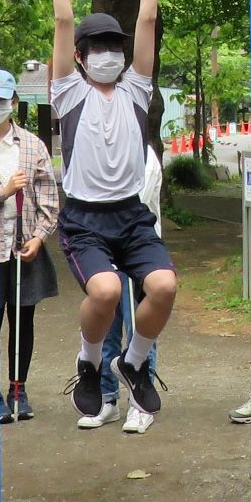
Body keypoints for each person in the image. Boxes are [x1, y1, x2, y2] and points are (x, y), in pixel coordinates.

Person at [49, 0, 177, 429]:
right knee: (103, 293)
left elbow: (146, 20)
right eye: (96, 47)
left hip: (131, 215)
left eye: (114, 47)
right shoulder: (69, 93)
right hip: (84, 220)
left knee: (163, 287)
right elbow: (62, 21)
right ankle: (89, 360)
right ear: (81, 58)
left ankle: (135, 361)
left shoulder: (135, 90)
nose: (108, 54)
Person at [0, 70, 60, 424]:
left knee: (23, 319)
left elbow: (49, 197)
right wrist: (4, 192)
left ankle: (18, 387)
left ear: (14, 102)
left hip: (23, 248)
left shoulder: (33, 145)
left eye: (2, 101)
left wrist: (39, 236)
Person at [96, 137, 164, 432]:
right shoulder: (94, 151)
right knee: (105, 327)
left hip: (138, 253)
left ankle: (140, 403)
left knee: (138, 327)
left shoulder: (144, 153)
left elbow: (130, 203)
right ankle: (106, 398)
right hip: (101, 253)